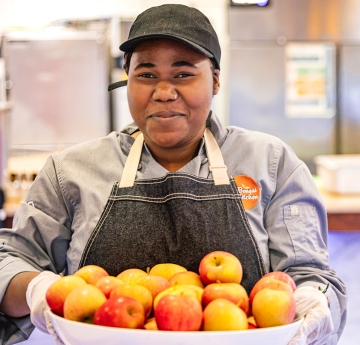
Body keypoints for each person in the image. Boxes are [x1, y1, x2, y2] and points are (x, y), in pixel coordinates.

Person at [0, 4, 346, 345]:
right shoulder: (71, 171)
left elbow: (310, 276)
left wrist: (313, 300)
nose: (164, 93)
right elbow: (10, 261)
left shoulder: (271, 163)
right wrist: (37, 290)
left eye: (183, 74)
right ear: (127, 79)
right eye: (146, 74)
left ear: (214, 80)